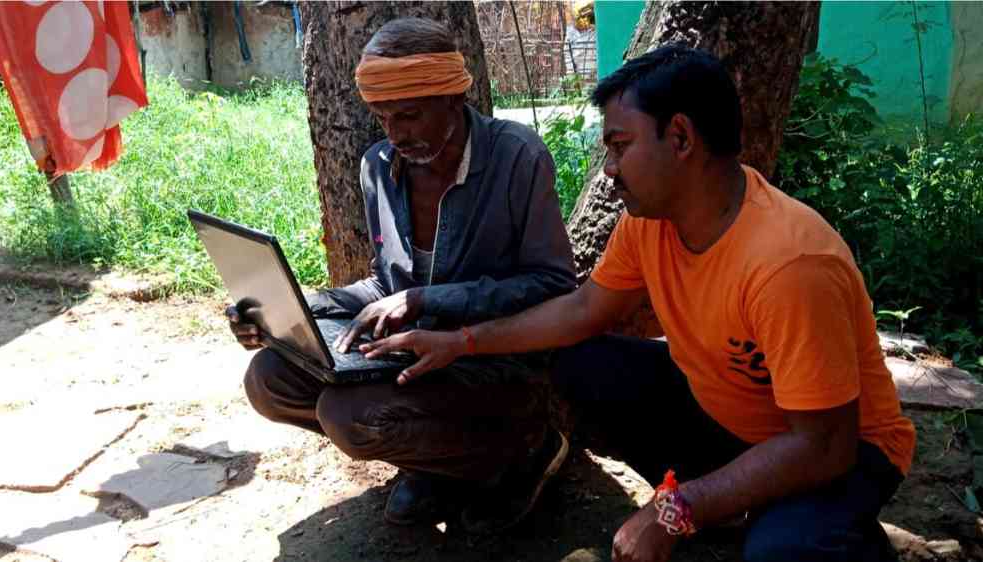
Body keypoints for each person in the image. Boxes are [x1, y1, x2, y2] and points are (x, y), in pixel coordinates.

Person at [361, 45, 916, 562]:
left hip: (842, 453)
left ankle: (825, 534)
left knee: (783, 550)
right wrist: (461, 342)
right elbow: (582, 312)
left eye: (620, 146)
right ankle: (737, 508)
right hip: (735, 418)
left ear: (680, 138)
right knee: (583, 363)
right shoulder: (650, 224)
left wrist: (677, 509)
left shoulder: (789, 265)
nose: (608, 169)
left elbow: (824, 447)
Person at [227, 18, 576, 534]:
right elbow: (383, 286)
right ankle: (436, 465)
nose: (395, 133)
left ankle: (524, 449)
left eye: (409, 115)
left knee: (349, 417)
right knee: (268, 380)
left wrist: (430, 299)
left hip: (491, 361)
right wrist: (292, 309)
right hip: (414, 360)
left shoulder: (516, 157)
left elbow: (554, 286)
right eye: (382, 116)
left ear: (454, 97)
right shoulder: (378, 166)